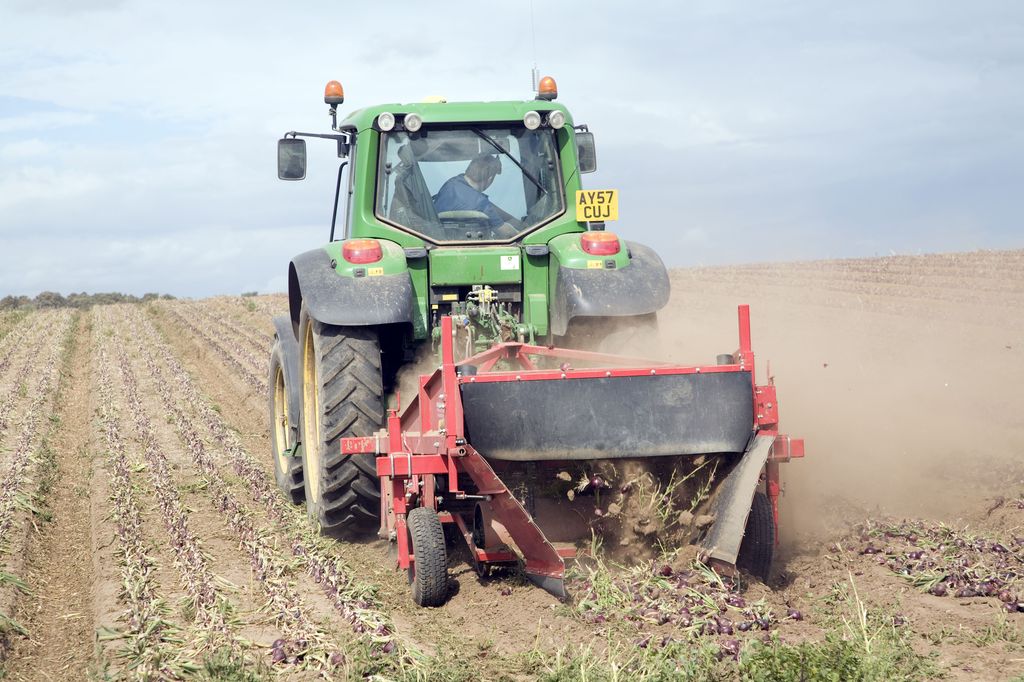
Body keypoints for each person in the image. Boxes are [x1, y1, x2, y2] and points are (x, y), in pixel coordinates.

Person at [432, 155, 521, 237]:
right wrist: (522, 232)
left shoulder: (449, 186)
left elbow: (492, 209)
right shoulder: (481, 203)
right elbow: (506, 232)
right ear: (490, 178)